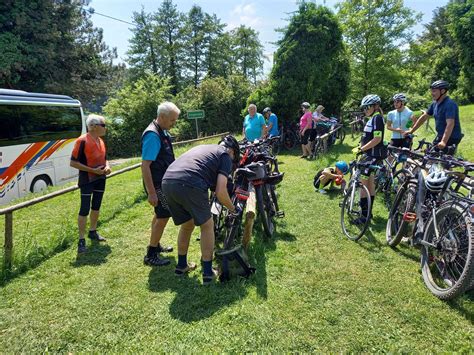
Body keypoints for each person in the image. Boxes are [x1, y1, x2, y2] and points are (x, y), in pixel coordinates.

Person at [161, 135, 240, 285]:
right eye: (234, 156)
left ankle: (182, 266)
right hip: (189, 182)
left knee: (187, 225)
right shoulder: (225, 155)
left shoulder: (206, 149)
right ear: (231, 151)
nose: (232, 161)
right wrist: (233, 209)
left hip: (167, 181)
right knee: (207, 226)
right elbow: (221, 191)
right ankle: (208, 273)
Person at [141, 102, 180, 267]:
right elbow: (145, 166)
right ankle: (151, 255)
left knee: (159, 214)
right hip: (157, 184)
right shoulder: (152, 135)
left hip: (162, 182)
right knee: (163, 216)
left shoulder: (162, 131)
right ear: (162, 117)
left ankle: (155, 245)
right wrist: (151, 192)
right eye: (172, 120)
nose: (174, 124)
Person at [70, 114, 111, 253]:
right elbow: (73, 162)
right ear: (93, 126)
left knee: (96, 206)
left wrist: (107, 166)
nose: (106, 128)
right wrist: (92, 170)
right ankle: (81, 240)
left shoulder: (101, 141)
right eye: (103, 125)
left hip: (100, 179)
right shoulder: (81, 141)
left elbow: (106, 159)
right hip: (87, 180)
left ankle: (93, 231)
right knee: (84, 209)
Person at [405, 80, 463, 155]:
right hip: (440, 135)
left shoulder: (450, 104)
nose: (432, 93)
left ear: (443, 91)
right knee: (429, 156)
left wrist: (443, 141)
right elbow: (424, 117)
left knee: (444, 161)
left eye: (434, 91)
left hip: (452, 137)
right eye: (431, 91)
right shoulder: (434, 104)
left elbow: (450, 124)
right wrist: (411, 131)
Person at [354, 94, 386, 224]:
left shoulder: (377, 118)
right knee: (370, 184)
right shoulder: (373, 118)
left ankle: (364, 216)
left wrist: (362, 149)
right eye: (364, 108)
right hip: (370, 156)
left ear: (375, 106)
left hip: (371, 157)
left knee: (363, 185)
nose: (365, 110)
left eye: (367, 107)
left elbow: (377, 139)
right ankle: (368, 214)